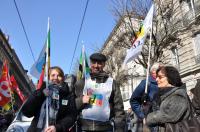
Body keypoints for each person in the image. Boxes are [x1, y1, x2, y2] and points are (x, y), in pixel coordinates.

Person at [75, 52, 125, 132]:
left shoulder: (112, 83)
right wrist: (81, 100)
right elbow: (72, 106)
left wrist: (119, 129)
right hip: (84, 128)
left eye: (99, 63)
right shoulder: (82, 82)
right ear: (91, 63)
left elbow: (119, 109)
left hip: (105, 128)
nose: (96, 65)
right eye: (94, 62)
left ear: (104, 64)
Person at [22, 66, 77, 132]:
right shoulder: (41, 91)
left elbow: (71, 116)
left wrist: (57, 127)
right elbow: (26, 112)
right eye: (53, 75)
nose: (56, 78)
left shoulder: (68, 95)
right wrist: (41, 94)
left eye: (59, 75)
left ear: (62, 78)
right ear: (48, 77)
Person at [146, 66, 191, 132]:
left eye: (160, 77)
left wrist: (148, 118)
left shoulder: (179, 94)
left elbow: (170, 115)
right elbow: (155, 110)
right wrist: (146, 103)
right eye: (157, 77)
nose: (156, 79)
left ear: (170, 78)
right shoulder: (162, 95)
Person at [129, 63, 160, 131]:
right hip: (152, 121)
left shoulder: (165, 80)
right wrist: (142, 116)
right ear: (153, 72)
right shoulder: (146, 83)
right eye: (160, 70)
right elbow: (133, 100)